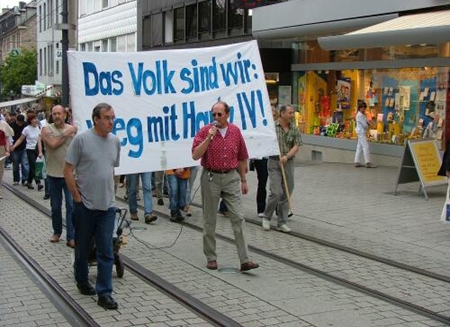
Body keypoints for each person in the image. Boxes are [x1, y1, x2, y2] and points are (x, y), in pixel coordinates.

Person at [64, 103, 121, 310]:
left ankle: (104, 293)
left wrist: (111, 195)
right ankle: (81, 279)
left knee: (106, 250)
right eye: (107, 117)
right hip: (85, 205)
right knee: (84, 246)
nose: (111, 121)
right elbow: (68, 170)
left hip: (107, 207)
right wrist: (76, 198)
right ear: (96, 119)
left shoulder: (115, 141)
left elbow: (110, 170)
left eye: (113, 117)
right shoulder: (81, 140)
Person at [192, 100, 259, 272]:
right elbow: (195, 155)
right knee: (210, 220)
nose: (216, 117)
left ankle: (245, 259)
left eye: (219, 114)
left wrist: (243, 179)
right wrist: (209, 137)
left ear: (227, 115)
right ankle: (211, 257)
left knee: (238, 217)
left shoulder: (235, 132)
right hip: (211, 177)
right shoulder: (205, 131)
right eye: (213, 114)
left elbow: (242, 157)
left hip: (231, 177)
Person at [41, 105, 77, 246]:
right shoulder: (46, 129)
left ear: (65, 115)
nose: (56, 116)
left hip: (69, 175)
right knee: (56, 207)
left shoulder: (72, 129)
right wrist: (67, 133)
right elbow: (53, 144)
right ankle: (57, 232)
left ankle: (71, 236)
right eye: (54, 113)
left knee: (71, 206)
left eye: (59, 113)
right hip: (53, 174)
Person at [262, 104, 302, 233]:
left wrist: (287, 156)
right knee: (276, 192)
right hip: (274, 162)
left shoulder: (294, 128)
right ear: (282, 113)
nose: (292, 115)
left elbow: (296, 145)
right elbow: (265, 142)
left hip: (288, 162)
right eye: (290, 113)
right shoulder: (272, 128)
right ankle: (267, 217)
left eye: (292, 113)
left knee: (287, 192)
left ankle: (282, 222)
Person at [10, 112, 44, 190]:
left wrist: (40, 151)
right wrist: (14, 146)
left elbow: (40, 140)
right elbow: (21, 139)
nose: (36, 120)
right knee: (33, 165)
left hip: (37, 149)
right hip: (29, 149)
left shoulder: (39, 127)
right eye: (34, 119)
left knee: (32, 167)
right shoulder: (27, 129)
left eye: (36, 119)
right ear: (30, 120)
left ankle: (29, 182)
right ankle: (38, 183)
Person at [354, 101, 377, 168]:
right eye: (362, 107)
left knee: (359, 147)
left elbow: (366, 120)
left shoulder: (362, 114)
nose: (363, 108)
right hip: (361, 132)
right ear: (359, 108)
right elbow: (364, 125)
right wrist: (369, 125)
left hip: (361, 132)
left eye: (364, 107)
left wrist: (369, 122)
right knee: (365, 146)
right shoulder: (360, 115)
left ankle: (357, 161)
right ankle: (368, 162)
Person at [9, 114, 29, 186]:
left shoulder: (26, 125)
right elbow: (9, 137)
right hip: (14, 148)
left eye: (21, 122)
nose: (20, 124)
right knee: (15, 165)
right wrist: (10, 146)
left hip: (24, 147)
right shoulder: (11, 125)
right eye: (19, 122)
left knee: (25, 164)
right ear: (16, 120)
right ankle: (16, 179)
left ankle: (25, 179)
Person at [0, 120, 13, 199]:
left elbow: (7, 138)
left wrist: (7, 150)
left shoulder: (3, 124)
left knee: (0, 171)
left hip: (1, 148)